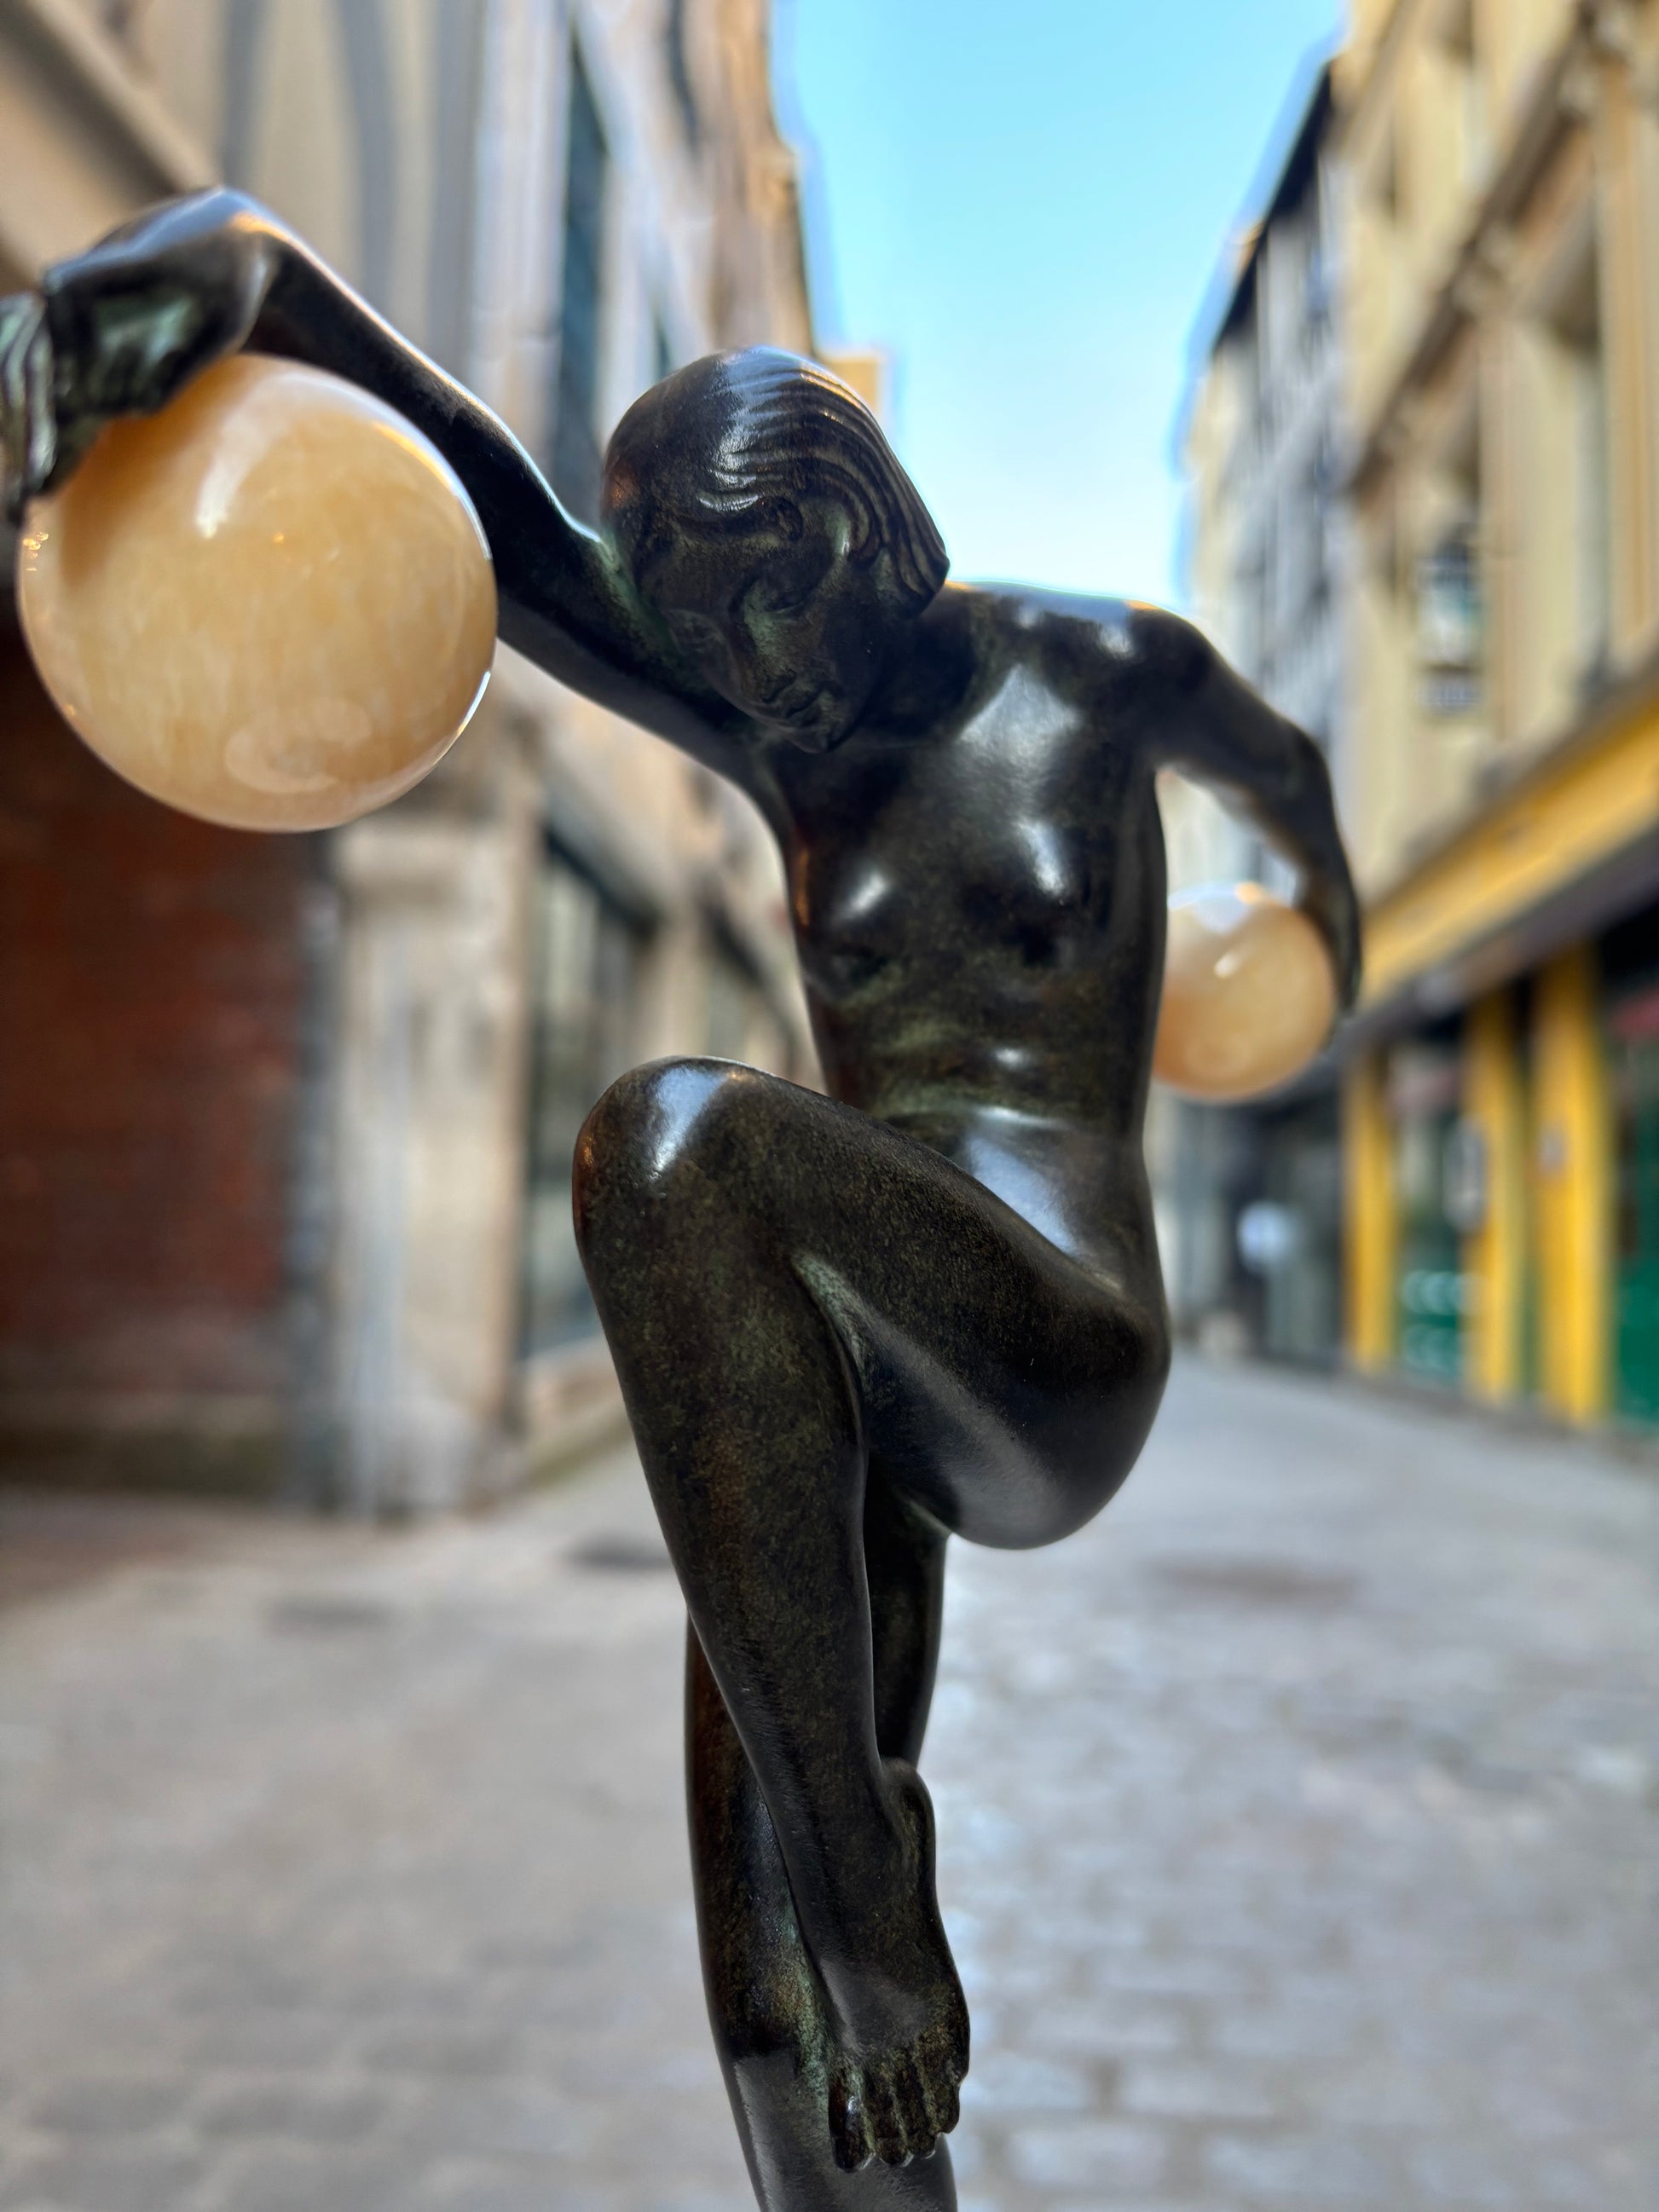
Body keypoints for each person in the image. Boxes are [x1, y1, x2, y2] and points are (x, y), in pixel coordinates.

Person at [0, 191, 1361, 2208]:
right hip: (822, 1323)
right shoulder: (763, 699)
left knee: (673, 1140)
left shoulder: (1099, 671)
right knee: (775, 1998)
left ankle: (865, 1866)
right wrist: (237, 268)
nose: (742, 691)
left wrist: (1316, 939)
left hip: (1048, 1334)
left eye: (762, 630)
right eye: (698, 645)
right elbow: (496, 497)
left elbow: (1293, 767)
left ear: (854, 542)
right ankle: (847, 1910)